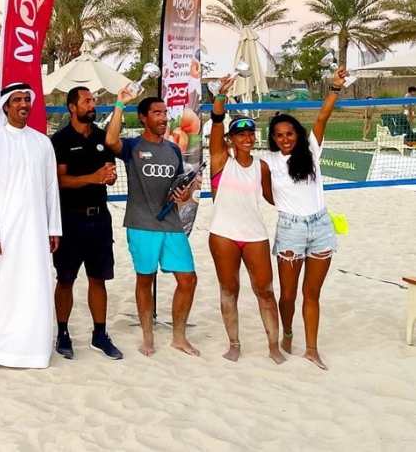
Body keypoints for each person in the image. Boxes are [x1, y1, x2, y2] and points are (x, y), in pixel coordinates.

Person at [260, 66, 349, 371]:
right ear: (273, 139)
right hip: (290, 228)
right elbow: (266, 193)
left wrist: (335, 87)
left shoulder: (311, 150)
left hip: (321, 225)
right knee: (287, 295)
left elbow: (322, 117)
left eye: (289, 133)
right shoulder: (269, 160)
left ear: (297, 133)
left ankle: (311, 348)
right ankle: (287, 333)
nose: (285, 139)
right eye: (279, 135)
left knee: (312, 294)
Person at [0, 83, 62, 370]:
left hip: (36, 232)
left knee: (35, 286)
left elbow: (51, 189)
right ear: (6, 107)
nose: (23, 104)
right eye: (17, 100)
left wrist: (54, 228)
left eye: (27, 99)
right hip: (4, 232)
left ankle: (32, 350)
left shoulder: (42, 142)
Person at [105, 88, 198, 357]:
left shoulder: (172, 149)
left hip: (170, 223)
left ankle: (179, 337)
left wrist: (185, 193)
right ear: (143, 118)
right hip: (141, 223)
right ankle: (148, 337)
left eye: (165, 113)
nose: (163, 118)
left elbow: (183, 186)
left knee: (188, 279)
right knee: (145, 280)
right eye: (157, 113)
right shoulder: (134, 146)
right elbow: (111, 141)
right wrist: (120, 104)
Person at [208, 75, 284, 364]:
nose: (247, 138)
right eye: (241, 134)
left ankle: (273, 346)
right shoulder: (220, 160)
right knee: (229, 289)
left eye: (251, 133)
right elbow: (216, 124)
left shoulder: (261, 166)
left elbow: (272, 198)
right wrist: (220, 98)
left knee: (265, 290)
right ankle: (234, 343)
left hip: (254, 234)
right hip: (224, 233)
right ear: (231, 139)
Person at [50, 87, 122, 361]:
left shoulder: (104, 138)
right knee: (66, 279)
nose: (93, 105)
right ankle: (63, 333)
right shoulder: (60, 140)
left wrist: (109, 177)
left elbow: (109, 174)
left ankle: (100, 334)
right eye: (87, 101)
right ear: (72, 107)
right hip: (70, 218)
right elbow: (59, 181)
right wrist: (92, 177)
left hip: (100, 218)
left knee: (98, 278)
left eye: (93, 101)